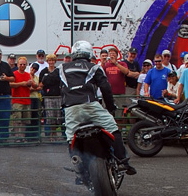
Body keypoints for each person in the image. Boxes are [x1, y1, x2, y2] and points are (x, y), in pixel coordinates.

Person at [58, 40, 135, 174]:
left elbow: (47, 81)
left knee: (71, 137)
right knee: (112, 128)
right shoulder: (94, 67)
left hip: (71, 109)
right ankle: (123, 161)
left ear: (74, 53)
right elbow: (106, 88)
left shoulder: (62, 68)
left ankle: (78, 168)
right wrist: (111, 107)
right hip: (90, 106)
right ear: (89, 53)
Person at [39, 54, 63, 139]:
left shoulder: (58, 71)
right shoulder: (44, 71)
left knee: (58, 116)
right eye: (49, 60)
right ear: (47, 61)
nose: (51, 62)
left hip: (57, 95)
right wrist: (45, 81)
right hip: (48, 96)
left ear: (55, 61)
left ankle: (55, 133)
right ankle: (51, 135)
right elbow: (40, 84)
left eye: (53, 60)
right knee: (50, 116)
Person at [10, 55, 34, 140]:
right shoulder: (14, 74)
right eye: (21, 64)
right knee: (17, 120)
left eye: (24, 64)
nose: (22, 66)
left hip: (26, 100)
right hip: (17, 100)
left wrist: (30, 84)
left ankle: (22, 136)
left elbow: (33, 85)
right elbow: (10, 84)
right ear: (18, 64)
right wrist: (21, 84)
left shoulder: (28, 74)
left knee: (25, 120)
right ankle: (17, 137)